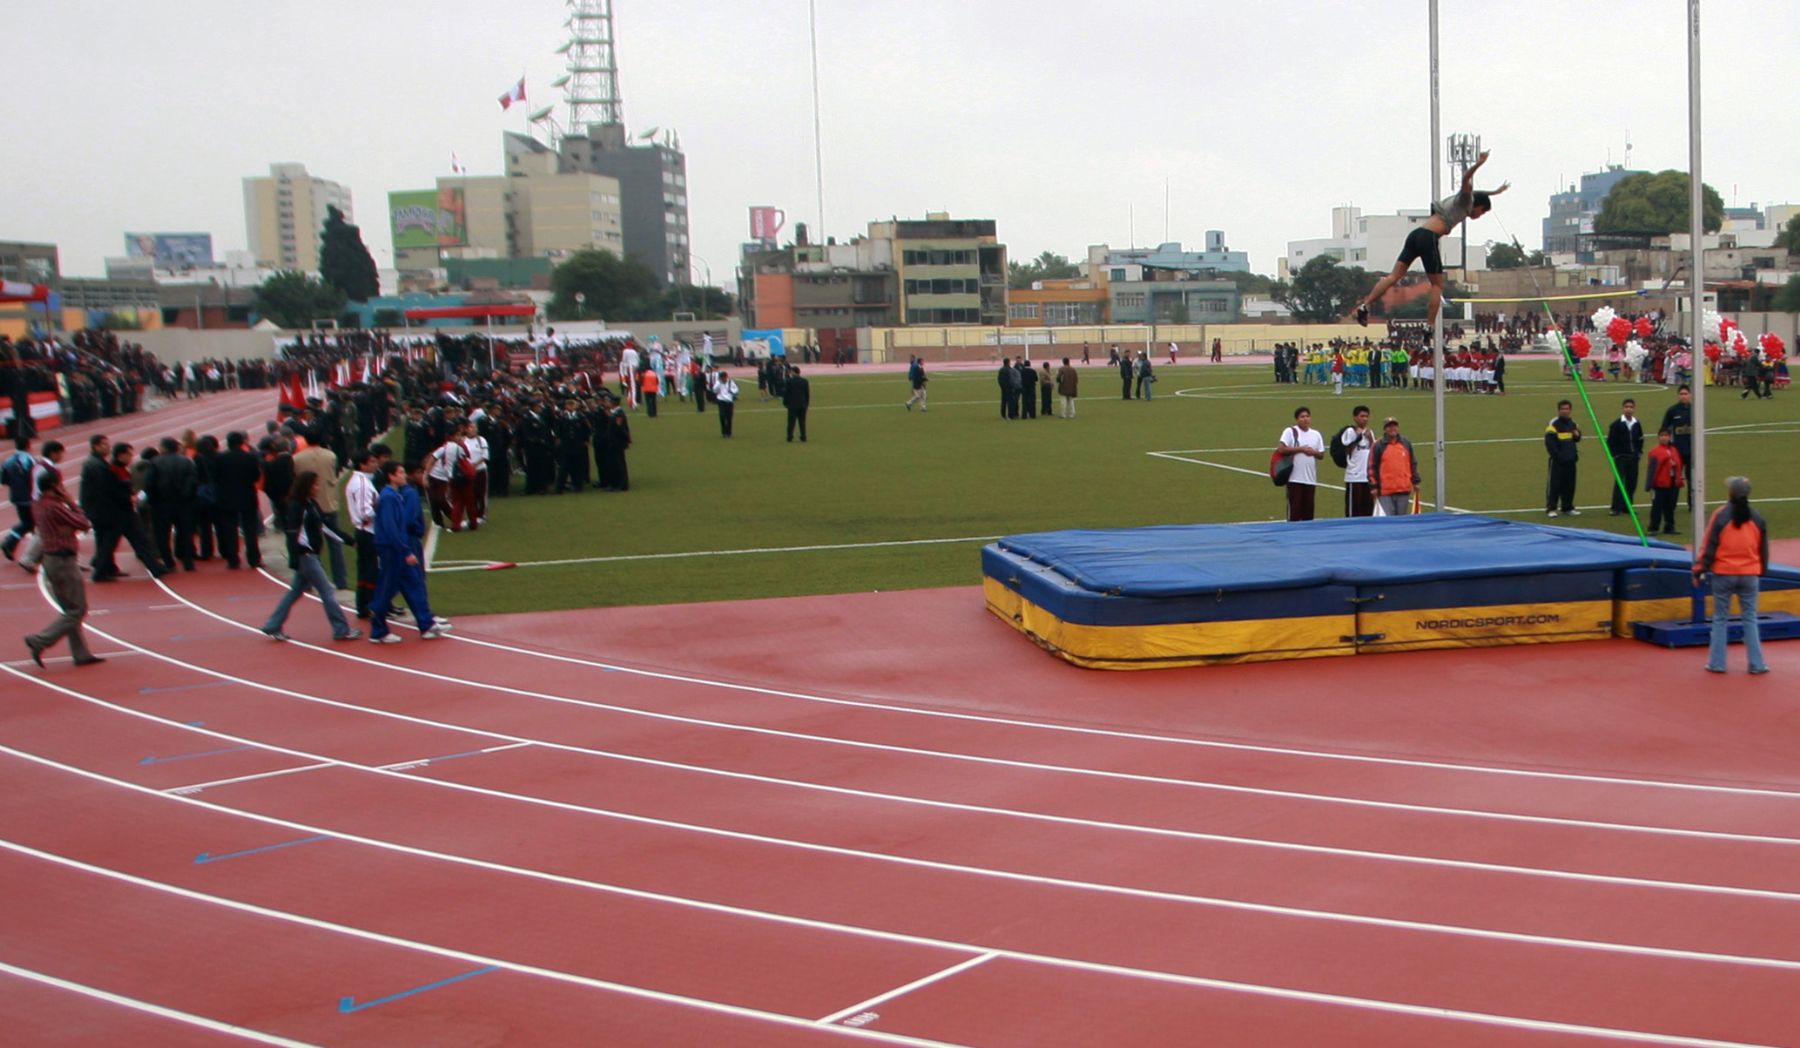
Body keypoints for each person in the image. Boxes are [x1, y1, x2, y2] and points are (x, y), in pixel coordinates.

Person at [1353, 149, 1508, 330]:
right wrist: (1479, 163)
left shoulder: (1461, 200)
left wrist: (1495, 192)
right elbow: (1467, 181)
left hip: (1416, 235)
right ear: (1478, 205)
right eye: (1481, 212)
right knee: (1437, 285)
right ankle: (1429, 327)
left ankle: (1365, 305)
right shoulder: (1466, 200)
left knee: (1393, 276)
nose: (1478, 216)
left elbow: (1479, 193)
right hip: (1428, 238)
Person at [259, 471, 359, 643]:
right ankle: (341, 629)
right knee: (327, 591)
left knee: (295, 592)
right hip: (306, 555)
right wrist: (296, 557)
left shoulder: (310, 504)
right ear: (306, 486)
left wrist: (350, 541)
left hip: (308, 555)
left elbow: (325, 527)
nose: (317, 488)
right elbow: (293, 534)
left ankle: (273, 625)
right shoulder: (298, 506)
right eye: (315, 484)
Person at [23, 472, 105, 668]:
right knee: (77, 610)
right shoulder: (55, 507)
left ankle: (80, 653)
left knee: (69, 609)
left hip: (50, 560)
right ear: (55, 486)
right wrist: (72, 503)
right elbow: (84, 523)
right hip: (63, 560)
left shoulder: (38, 504)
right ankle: (40, 639)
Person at [1695, 476, 1770, 675]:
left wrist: (1699, 569)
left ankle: (1717, 663)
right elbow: (1763, 549)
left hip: (1724, 572)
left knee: (1720, 618)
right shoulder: (1757, 517)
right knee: (1750, 618)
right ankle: (1757, 663)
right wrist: (1761, 570)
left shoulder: (1721, 515)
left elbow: (1709, 545)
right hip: (1749, 574)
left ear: (1731, 493)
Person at [369, 461, 448, 644]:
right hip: (392, 550)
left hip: (397, 548)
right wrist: (405, 551)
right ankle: (378, 630)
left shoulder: (393, 496)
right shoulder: (389, 497)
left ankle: (426, 624)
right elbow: (391, 528)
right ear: (391, 476)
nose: (404, 475)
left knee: (413, 583)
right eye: (401, 472)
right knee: (387, 588)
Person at [214, 431, 264, 570]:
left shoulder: (220, 458)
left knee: (230, 530)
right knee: (250, 529)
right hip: (247, 496)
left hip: (227, 497)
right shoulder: (250, 458)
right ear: (242, 442)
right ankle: (254, 559)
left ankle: (233, 560)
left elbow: (215, 477)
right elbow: (256, 476)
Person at [1276, 406, 1326, 522]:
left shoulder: (1316, 434)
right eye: (1302, 417)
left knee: (1308, 514)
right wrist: (1300, 449)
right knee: (1294, 514)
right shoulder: (1290, 432)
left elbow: (1321, 454)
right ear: (1297, 419)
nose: (1305, 419)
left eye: (1307, 416)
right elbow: (1281, 449)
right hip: (1294, 479)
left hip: (1310, 479)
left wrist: (1313, 452)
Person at [1369, 416, 1421, 516]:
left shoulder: (1406, 443)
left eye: (1394, 426)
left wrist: (1416, 481)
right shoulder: (1378, 445)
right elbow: (1372, 466)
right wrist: (1373, 486)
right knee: (1388, 522)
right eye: (1389, 427)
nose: (1392, 429)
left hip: (1403, 490)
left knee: (1402, 522)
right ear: (1385, 429)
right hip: (1385, 492)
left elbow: (1413, 463)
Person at [1660, 384, 1696, 511]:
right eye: (1681, 394)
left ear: (1690, 395)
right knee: (1675, 479)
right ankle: (1671, 504)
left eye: (1686, 393)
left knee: (1693, 480)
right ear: (1678, 395)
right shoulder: (1672, 411)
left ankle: (1693, 505)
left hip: (1692, 451)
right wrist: (1668, 447)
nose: (1684, 396)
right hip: (1677, 452)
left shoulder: (1695, 410)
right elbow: (1664, 429)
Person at [1606, 398, 1644, 517]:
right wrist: (1615, 454)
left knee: (1631, 482)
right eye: (1626, 407)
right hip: (1621, 457)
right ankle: (1615, 507)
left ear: (1634, 408)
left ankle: (1627, 506)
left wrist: (1638, 453)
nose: (1629, 409)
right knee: (1620, 482)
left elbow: (1640, 439)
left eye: (1631, 407)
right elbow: (1610, 441)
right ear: (1623, 408)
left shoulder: (1636, 423)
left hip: (1633, 458)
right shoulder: (1616, 424)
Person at [1336, 406, 1375, 517]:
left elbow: (1374, 451)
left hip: (1367, 477)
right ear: (1355, 418)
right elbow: (1347, 450)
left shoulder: (1369, 432)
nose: (1365, 419)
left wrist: (1370, 439)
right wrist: (1358, 437)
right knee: (1353, 511)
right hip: (1354, 477)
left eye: (1367, 416)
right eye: (1362, 416)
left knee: (1368, 511)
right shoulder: (1350, 431)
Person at [1544, 399, 1581, 518]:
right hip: (1558, 461)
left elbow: (1576, 439)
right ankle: (1551, 508)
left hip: (1571, 460)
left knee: (1570, 485)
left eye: (1567, 409)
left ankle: (1567, 507)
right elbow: (1550, 444)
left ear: (1570, 410)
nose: (1565, 411)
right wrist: (1559, 457)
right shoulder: (1553, 424)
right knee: (1555, 485)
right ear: (1559, 410)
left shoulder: (1572, 423)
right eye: (1563, 409)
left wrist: (1577, 435)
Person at [1646, 427, 1685, 536]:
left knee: (1670, 507)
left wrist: (1679, 479)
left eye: (1666, 435)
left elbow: (1679, 465)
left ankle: (1669, 526)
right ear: (1659, 437)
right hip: (1660, 484)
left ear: (1669, 437)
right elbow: (1652, 470)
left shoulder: (1674, 450)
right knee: (1657, 507)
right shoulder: (1655, 452)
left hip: (1672, 483)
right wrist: (1650, 485)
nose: (1664, 438)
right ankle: (1653, 527)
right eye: (1662, 436)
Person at [784, 365, 811, 442]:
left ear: (793, 372)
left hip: (792, 405)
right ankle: (803, 436)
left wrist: (785, 403)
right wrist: (806, 404)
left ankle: (790, 436)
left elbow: (786, 393)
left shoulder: (789, 381)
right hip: (802, 404)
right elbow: (807, 394)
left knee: (791, 422)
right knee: (802, 422)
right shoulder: (804, 381)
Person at [713, 369, 739, 437]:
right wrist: (719, 383)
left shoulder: (731, 382)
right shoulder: (718, 383)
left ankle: (729, 432)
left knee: (729, 418)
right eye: (721, 378)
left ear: (726, 377)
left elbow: (736, 390)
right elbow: (714, 390)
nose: (723, 379)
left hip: (729, 402)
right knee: (722, 416)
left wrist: (732, 392)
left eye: (723, 378)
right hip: (721, 401)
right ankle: (723, 432)